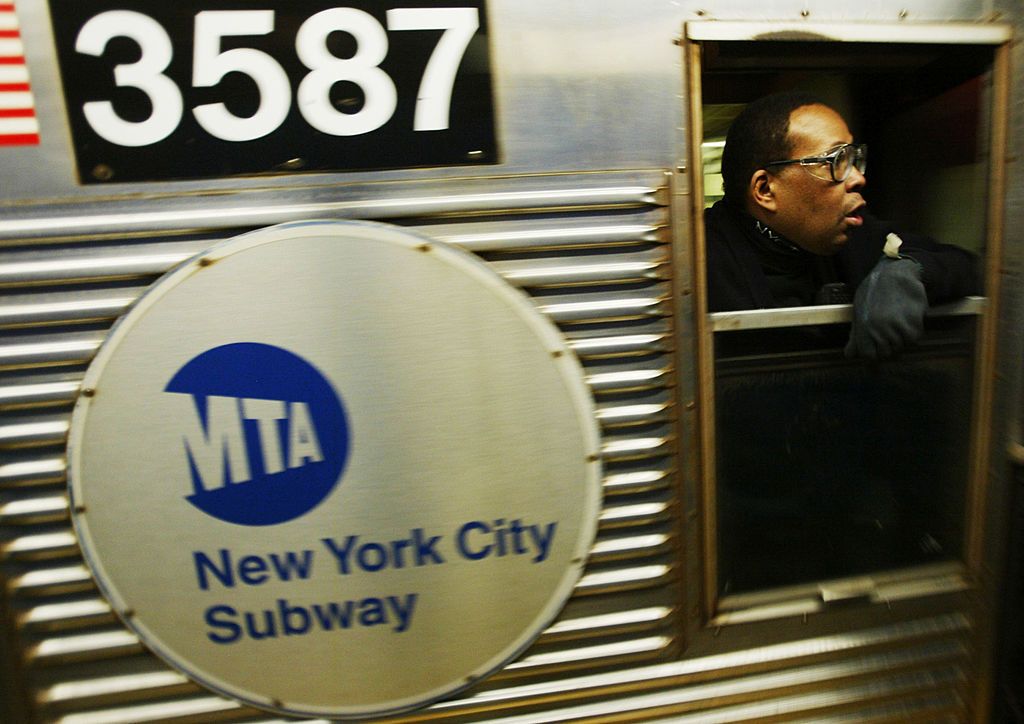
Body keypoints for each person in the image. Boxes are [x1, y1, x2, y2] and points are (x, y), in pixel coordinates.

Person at [704, 91, 979, 359]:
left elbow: (968, 267)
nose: (858, 178)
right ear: (765, 189)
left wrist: (911, 270)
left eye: (855, 159)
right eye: (836, 161)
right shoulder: (701, 260)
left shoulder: (855, 236)